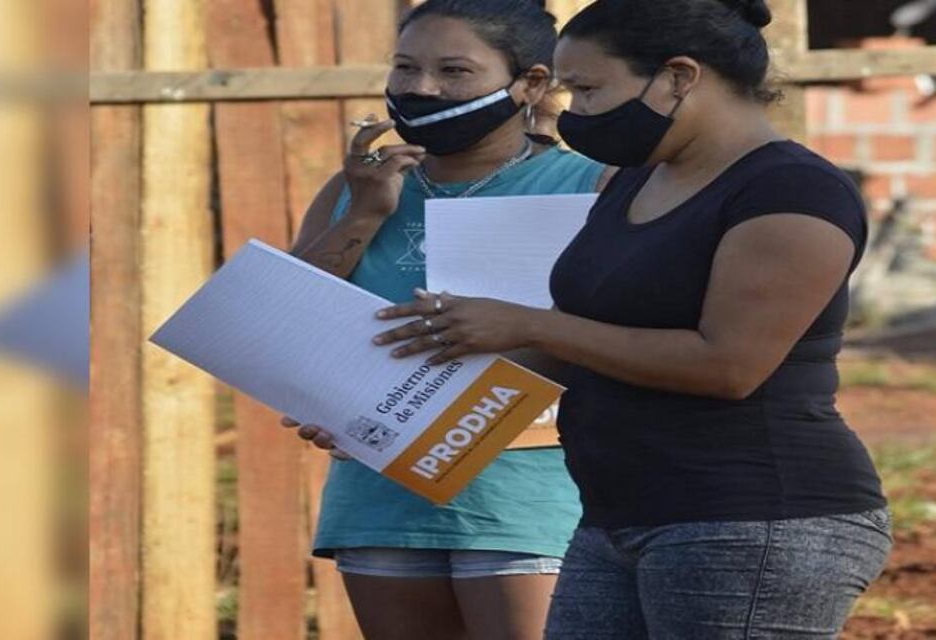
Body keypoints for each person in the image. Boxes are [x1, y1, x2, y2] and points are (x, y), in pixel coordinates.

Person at [372, 1, 892, 638]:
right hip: (615, 517)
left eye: (588, 90)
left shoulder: (792, 193)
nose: (573, 113)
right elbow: (579, 345)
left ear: (679, 77)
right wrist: (375, 410)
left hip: (752, 519)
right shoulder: (636, 181)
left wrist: (531, 324)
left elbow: (727, 365)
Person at [281, 1, 612, 638]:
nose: (421, 88)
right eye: (406, 67)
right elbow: (290, 320)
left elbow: (613, 339)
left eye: (454, 71)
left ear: (532, 84)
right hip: (381, 499)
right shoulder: (355, 188)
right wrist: (364, 214)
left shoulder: (592, 186)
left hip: (528, 495)